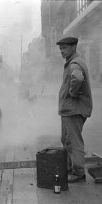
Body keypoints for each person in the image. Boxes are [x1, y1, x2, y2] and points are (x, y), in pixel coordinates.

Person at [56, 37, 93, 183]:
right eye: (60, 48)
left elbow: (77, 78)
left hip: (73, 110)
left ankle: (78, 173)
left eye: (64, 48)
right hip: (70, 110)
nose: (62, 51)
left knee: (73, 141)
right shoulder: (73, 62)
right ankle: (71, 168)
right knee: (67, 140)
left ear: (73, 47)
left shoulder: (74, 63)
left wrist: (72, 93)